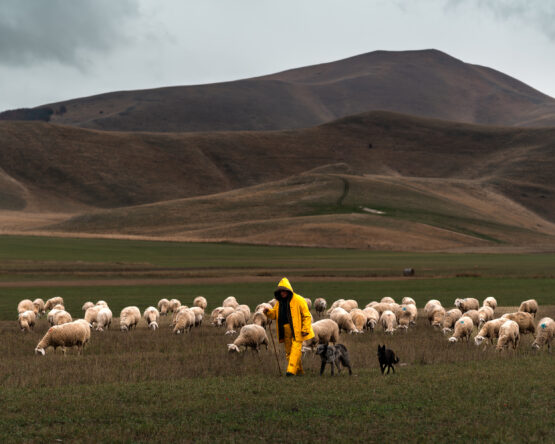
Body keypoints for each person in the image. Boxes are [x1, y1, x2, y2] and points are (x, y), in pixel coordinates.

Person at [264, 277, 314, 376]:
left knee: (295, 349)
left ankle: (290, 371)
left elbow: (307, 315)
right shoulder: (279, 303)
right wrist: (268, 312)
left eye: (284, 291)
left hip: (298, 330)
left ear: (288, 290)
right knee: (289, 352)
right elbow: (274, 315)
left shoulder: (299, 300)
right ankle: (299, 371)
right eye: (280, 291)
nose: (282, 293)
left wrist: (305, 329)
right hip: (285, 329)